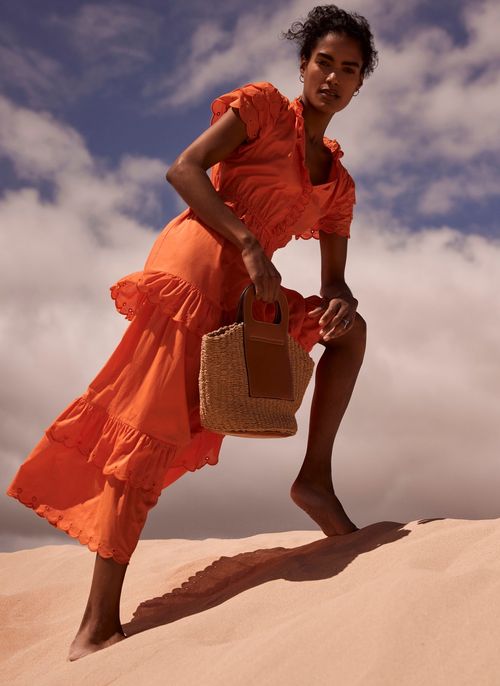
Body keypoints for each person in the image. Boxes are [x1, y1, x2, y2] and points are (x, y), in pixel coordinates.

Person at [5, 4, 378, 661]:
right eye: (324, 61)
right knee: (147, 435)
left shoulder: (338, 184)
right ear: (303, 65)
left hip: (247, 292)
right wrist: (250, 245)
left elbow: (335, 280)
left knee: (349, 333)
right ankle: (94, 626)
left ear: (359, 85)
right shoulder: (263, 109)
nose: (333, 77)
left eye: (349, 70)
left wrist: (340, 303)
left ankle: (314, 479)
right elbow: (183, 169)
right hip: (195, 270)